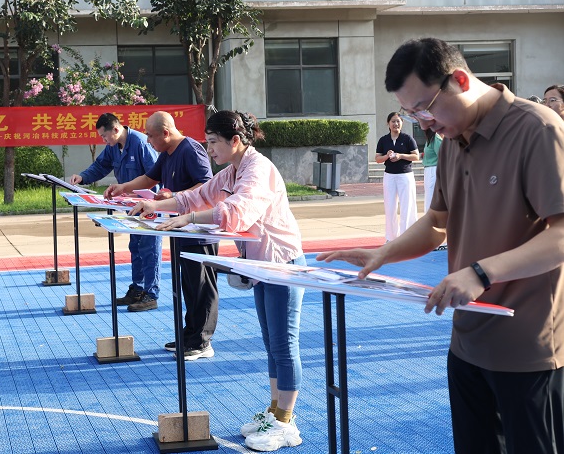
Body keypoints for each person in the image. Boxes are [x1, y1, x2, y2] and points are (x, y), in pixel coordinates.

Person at [317, 37, 564, 454]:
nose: (424, 123)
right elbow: (437, 222)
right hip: (467, 342)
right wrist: (384, 253)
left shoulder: (537, 129)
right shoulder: (451, 140)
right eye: (413, 114)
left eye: (425, 108)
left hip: (528, 348)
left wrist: (481, 273)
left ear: (461, 80)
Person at [129, 110, 306, 451]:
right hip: (261, 265)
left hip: (281, 264)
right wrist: (155, 206)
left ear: (235, 141)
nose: (208, 149)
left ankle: (286, 423)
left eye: (213, 142)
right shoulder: (233, 169)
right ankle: (276, 412)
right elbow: (195, 196)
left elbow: (237, 210)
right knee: (272, 344)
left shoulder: (258, 169)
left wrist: (188, 218)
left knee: (284, 345)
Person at [104, 111, 219, 360]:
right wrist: (123, 187)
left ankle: (202, 341)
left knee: (202, 288)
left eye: (151, 135)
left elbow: (206, 185)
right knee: (188, 287)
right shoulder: (167, 153)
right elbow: (149, 178)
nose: (147, 140)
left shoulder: (191, 150)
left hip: (200, 232)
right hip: (180, 229)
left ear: (166, 133)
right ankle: (189, 335)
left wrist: (175, 196)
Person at [69, 113, 163, 311]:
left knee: (149, 248)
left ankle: (151, 294)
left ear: (116, 129)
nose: (104, 140)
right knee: (135, 247)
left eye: (104, 136)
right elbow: (101, 166)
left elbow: (155, 175)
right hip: (131, 207)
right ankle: (137, 289)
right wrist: (83, 177)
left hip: (149, 206)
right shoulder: (113, 147)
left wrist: (146, 199)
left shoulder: (140, 143)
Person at [376, 111, 419, 242]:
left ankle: (408, 238)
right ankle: (391, 238)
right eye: (393, 121)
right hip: (390, 176)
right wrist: (386, 156)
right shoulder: (383, 140)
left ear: (402, 123)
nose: (396, 124)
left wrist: (401, 156)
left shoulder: (407, 139)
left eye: (398, 121)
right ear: (388, 124)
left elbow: (416, 156)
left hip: (405, 176)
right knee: (390, 207)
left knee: (407, 206)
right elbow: (378, 159)